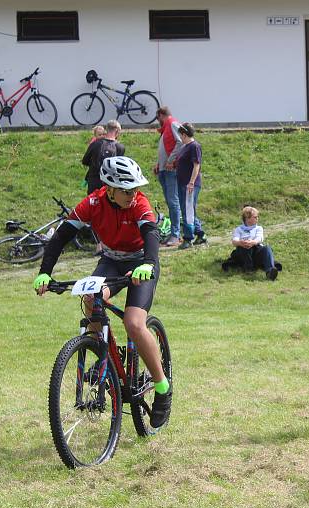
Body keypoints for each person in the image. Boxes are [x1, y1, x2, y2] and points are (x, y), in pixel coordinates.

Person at [32, 156, 172, 428]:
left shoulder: (140, 204)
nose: (132, 195)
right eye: (126, 190)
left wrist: (148, 264)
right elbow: (61, 236)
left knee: (133, 323)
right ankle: (104, 352)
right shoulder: (92, 203)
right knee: (90, 297)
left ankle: (163, 387)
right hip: (110, 261)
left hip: (140, 262)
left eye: (135, 189)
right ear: (109, 188)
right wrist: (45, 272)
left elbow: (152, 236)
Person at [222, 206, 280, 280]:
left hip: (256, 251)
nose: (257, 218)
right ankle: (248, 269)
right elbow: (234, 241)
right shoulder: (238, 229)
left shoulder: (259, 228)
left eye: (257, 217)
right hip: (243, 253)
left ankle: (270, 271)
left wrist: (253, 242)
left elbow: (260, 238)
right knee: (245, 246)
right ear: (247, 218)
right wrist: (240, 242)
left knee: (267, 248)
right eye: (255, 217)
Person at [154, 106, 183, 246]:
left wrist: (171, 160)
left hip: (171, 170)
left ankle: (176, 235)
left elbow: (180, 142)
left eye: (157, 118)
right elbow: (165, 148)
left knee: (173, 202)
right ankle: (173, 233)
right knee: (171, 202)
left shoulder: (172, 124)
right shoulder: (166, 128)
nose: (157, 121)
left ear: (161, 115)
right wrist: (158, 164)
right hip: (164, 169)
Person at [176, 123, 206, 250]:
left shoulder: (194, 146)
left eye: (180, 135)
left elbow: (196, 165)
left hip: (189, 184)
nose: (180, 137)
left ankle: (188, 238)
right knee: (189, 210)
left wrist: (191, 182)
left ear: (184, 134)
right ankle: (200, 234)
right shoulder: (185, 147)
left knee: (187, 210)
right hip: (183, 183)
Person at [82, 120, 124, 195]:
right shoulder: (120, 147)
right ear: (117, 131)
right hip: (109, 185)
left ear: (106, 130)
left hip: (94, 182)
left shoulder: (95, 144)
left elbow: (84, 161)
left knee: (93, 204)